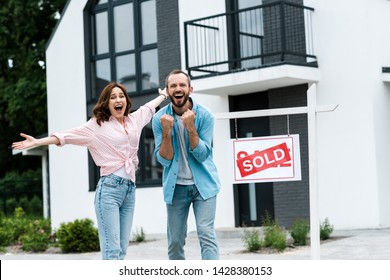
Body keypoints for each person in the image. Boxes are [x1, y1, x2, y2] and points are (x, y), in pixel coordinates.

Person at [12, 82, 168, 260]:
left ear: (126, 100)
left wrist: (163, 95)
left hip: (129, 190)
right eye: (113, 97)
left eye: (121, 96)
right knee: (112, 252)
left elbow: (149, 107)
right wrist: (37, 142)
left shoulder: (133, 120)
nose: (118, 100)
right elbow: (67, 136)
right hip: (109, 190)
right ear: (106, 103)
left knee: (122, 251)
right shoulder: (96, 126)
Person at [152, 69, 221, 260]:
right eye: (173, 85)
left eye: (182, 85)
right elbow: (163, 160)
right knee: (175, 241)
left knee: (206, 234)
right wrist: (167, 132)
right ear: (167, 91)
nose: (178, 88)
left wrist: (190, 127)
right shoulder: (159, 119)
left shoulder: (205, 115)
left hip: (204, 185)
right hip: (176, 188)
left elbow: (202, 155)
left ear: (190, 89)